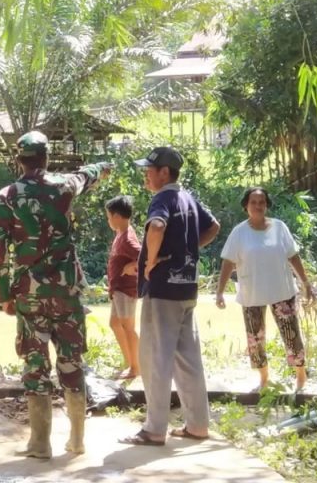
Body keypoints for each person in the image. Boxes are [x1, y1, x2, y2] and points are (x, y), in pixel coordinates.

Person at [0, 131, 111, 458]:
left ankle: (40, 443)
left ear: (19, 160)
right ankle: (77, 440)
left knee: (35, 363)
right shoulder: (66, 185)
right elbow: (89, 174)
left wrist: (2, 294)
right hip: (67, 292)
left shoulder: (7, 196)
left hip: (29, 294)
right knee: (72, 362)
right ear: (46, 158)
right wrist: (104, 166)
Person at [121, 146, 220, 447]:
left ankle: (153, 430)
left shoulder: (163, 198)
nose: (146, 176)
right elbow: (213, 226)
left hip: (162, 290)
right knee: (188, 360)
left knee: (155, 359)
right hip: (187, 288)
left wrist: (151, 261)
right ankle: (198, 425)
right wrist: (187, 252)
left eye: (149, 171)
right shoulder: (188, 198)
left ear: (164, 172)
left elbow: (157, 227)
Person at [215, 187, 313, 392]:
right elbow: (228, 262)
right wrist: (220, 292)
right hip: (252, 294)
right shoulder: (239, 232)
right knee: (255, 340)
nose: (258, 206)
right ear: (246, 206)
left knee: (291, 335)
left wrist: (305, 283)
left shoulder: (279, 228)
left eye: (262, 202)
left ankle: (301, 378)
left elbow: (293, 256)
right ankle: (264, 378)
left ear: (266, 205)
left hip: (282, 291)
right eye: (253, 202)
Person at [105, 195, 141, 381]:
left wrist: (133, 266)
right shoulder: (122, 234)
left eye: (109, 216)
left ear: (117, 216)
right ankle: (130, 362)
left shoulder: (127, 238)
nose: (108, 220)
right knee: (115, 324)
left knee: (128, 327)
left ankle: (137, 367)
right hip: (117, 290)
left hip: (126, 291)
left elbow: (145, 256)